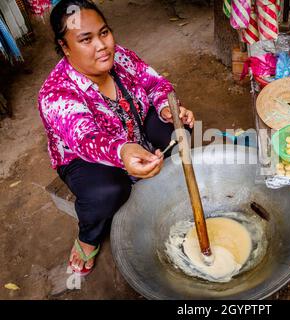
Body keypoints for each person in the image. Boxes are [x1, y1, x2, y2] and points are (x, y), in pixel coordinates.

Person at [38, 0, 195, 276]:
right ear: (65, 47)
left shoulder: (120, 56)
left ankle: (165, 186)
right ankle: (88, 237)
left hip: (133, 128)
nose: (102, 46)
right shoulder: (56, 93)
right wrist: (122, 151)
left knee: (180, 130)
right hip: (86, 157)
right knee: (109, 191)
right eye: (86, 39)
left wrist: (166, 107)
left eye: (104, 32)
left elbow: (155, 83)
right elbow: (86, 138)